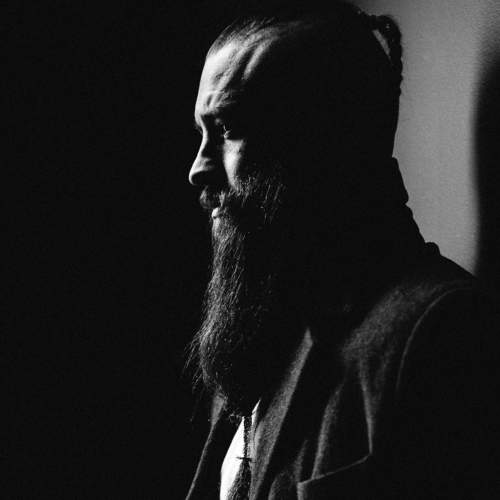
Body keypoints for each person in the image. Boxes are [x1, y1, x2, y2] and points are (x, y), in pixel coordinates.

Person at [186, 2, 500, 498]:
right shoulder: (254, 337)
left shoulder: (443, 332)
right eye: (202, 134)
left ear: (326, 135)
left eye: (227, 128)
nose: (197, 169)